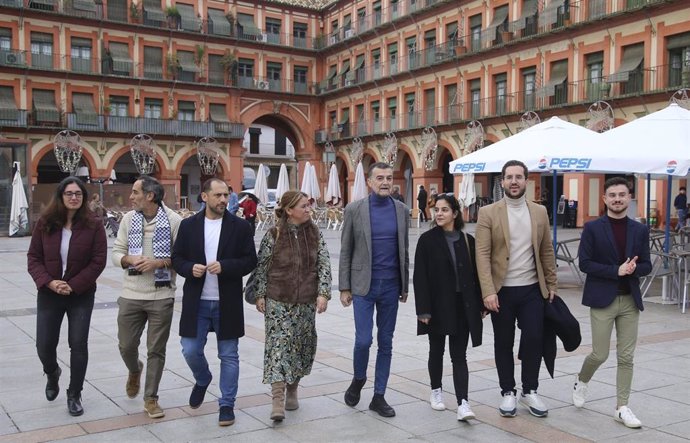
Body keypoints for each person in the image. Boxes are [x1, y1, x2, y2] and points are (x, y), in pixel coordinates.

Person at [475, 160, 557, 418]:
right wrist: (487, 291)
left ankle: (529, 389)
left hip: (532, 288)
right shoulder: (488, 212)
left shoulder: (540, 212)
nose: (514, 181)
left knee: (534, 339)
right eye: (509, 177)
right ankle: (508, 391)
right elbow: (482, 253)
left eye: (518, 177)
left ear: (526, 180)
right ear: (502, 181)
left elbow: (546, 250)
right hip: (502, 291)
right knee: (504, 342)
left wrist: (551, 282)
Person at [172, 178, 257, 427]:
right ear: (205, 197)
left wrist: (226, 266)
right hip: (197, 302)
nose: (223, 200)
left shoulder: (240, 227)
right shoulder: (188, 226)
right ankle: (202, 378)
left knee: (229, 355)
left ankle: (227, 404)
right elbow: (177, 258)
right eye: (218, 195)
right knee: (190, 349)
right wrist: (190, 268)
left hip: (227, 301)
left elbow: (250, 260)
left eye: (226, 195)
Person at [571, 177, 652, 428]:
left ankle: (622, 407)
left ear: (629, 198)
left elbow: (647, 264)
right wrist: (615, 271)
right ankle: (582, 380)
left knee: (626, 357)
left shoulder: (640, 230)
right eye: (613, 195)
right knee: (600, 353)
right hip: (602, 299)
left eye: (622, 194)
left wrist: (633, 269)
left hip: (629, 300)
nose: (618, 199)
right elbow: (584, 263)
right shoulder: (593, 228)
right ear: (604, 199)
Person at [27, 177, 107, 417]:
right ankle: (52, 373)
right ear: (61, 196)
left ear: (83, 198)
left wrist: (72, 286)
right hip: (49, 293)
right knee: (44, 346)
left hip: (80, 294)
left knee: (78, 344)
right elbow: (33, 258)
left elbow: (98, 262)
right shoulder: (46, 223)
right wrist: (50, 282)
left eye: (78, 194)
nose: (74, 197)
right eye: (69, 193)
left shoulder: (94, 225)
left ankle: (74, 394)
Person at [254, 190, 332, 422]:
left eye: (309, 205)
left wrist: (324, 293)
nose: (309, 209)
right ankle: (277, 399)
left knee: (301, 347)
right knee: (278, 348)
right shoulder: (274, 233)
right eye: (304, 206)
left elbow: (324, 264)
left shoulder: (315, 233)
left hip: (306, 301)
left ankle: (293, 388)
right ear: (289, 210)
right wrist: (260, 294)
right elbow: (262, 266)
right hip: (278, 300)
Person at [339, 162, 410, 418]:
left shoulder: (401, 210)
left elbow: (404, 249)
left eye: (389, 178)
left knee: (386, 342)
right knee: (364, 340)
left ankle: (379, 396)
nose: (385, 182)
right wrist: (344, 287)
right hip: (362, 286)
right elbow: (346, 249)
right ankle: (359, 378)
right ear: (369, 182)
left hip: (391, 285)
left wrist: (405, 284)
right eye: (379, 178)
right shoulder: (355, 209)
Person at [112, 176, 182, 419]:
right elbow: (117, 252)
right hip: (131, 293)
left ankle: (151, 399)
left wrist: (158, 262)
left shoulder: (174, 221)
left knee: (156, 350)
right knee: (126, 345)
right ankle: (134, 369)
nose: (130, 197)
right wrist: (128, 259)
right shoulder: (129, 220)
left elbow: (182, 258)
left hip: (161, 295)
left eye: (135, 192)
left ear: (149, 196)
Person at [413, 194, 483, 421]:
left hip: (462, 306)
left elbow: (476, 275)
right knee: (437, 350)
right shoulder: (427, 240)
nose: (439, 214)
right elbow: (420, 277)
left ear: (455, 213)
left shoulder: (467, 240)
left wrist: (481, 304)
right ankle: (436, 391)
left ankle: (463, 402)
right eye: (437, 210)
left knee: (459, 355)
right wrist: (423, 309)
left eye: (444, 210)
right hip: (437, 305)